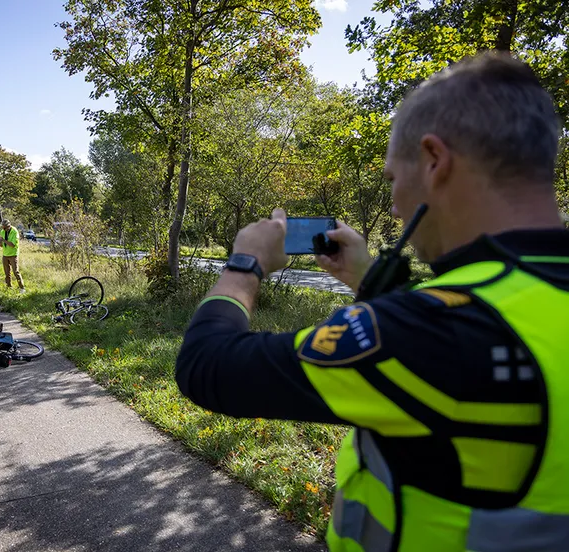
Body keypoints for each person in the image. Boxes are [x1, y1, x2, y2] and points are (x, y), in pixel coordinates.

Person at [175, 53, 569, 551]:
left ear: (433, 160)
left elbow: (208, 367)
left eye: (391, 180)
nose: (395, 204)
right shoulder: (500, 307)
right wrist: (368, 281)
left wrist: (245, 263)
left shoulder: (436, 332)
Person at [0, 219, 26, 292]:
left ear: (8, 226)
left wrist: (3, 240)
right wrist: (0, 242)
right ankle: (9, 287)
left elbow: (13, 245)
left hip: (13, 254)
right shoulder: (2, 231)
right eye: (3, 227)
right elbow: (1, 245)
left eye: (4, 227)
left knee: (16, 272)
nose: (3, 229)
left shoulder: (14, 231)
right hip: (5, 254)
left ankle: (22, 288)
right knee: (7, 273)